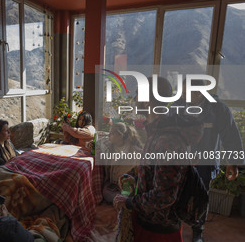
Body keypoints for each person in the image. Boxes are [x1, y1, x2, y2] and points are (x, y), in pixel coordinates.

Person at [113, 76, 203, 242]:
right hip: (154, 224)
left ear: (148, 101)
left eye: (138, 94)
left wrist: (130, 202)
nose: (134, 98)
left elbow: (164, 196)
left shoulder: (166, 141)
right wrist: (136, 179)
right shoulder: (158, 132)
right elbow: (158, 175)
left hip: (158, 231)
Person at [171, 79, 244, 242]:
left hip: (205, 162)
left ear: (198, 93)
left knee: (201, 196)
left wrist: (233, 162)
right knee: (175, 192)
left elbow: (231, 136)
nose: (181, 96)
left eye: (185, 93)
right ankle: (174, 225)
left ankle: (198, 229)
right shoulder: (178, 105)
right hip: (180, 159)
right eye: (181, 92)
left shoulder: (218, 109)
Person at [93, 122, 142, 203]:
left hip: (126, 182)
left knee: (126, 193)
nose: (109, 135)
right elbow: (96, 143)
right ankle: (122, 200)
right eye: (109, 133)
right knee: (106, 193)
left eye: (112, 134)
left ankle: (125, 199)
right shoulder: (107, 145)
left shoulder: (134, 151)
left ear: (120, 135)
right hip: (112, 184)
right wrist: (91, 145)